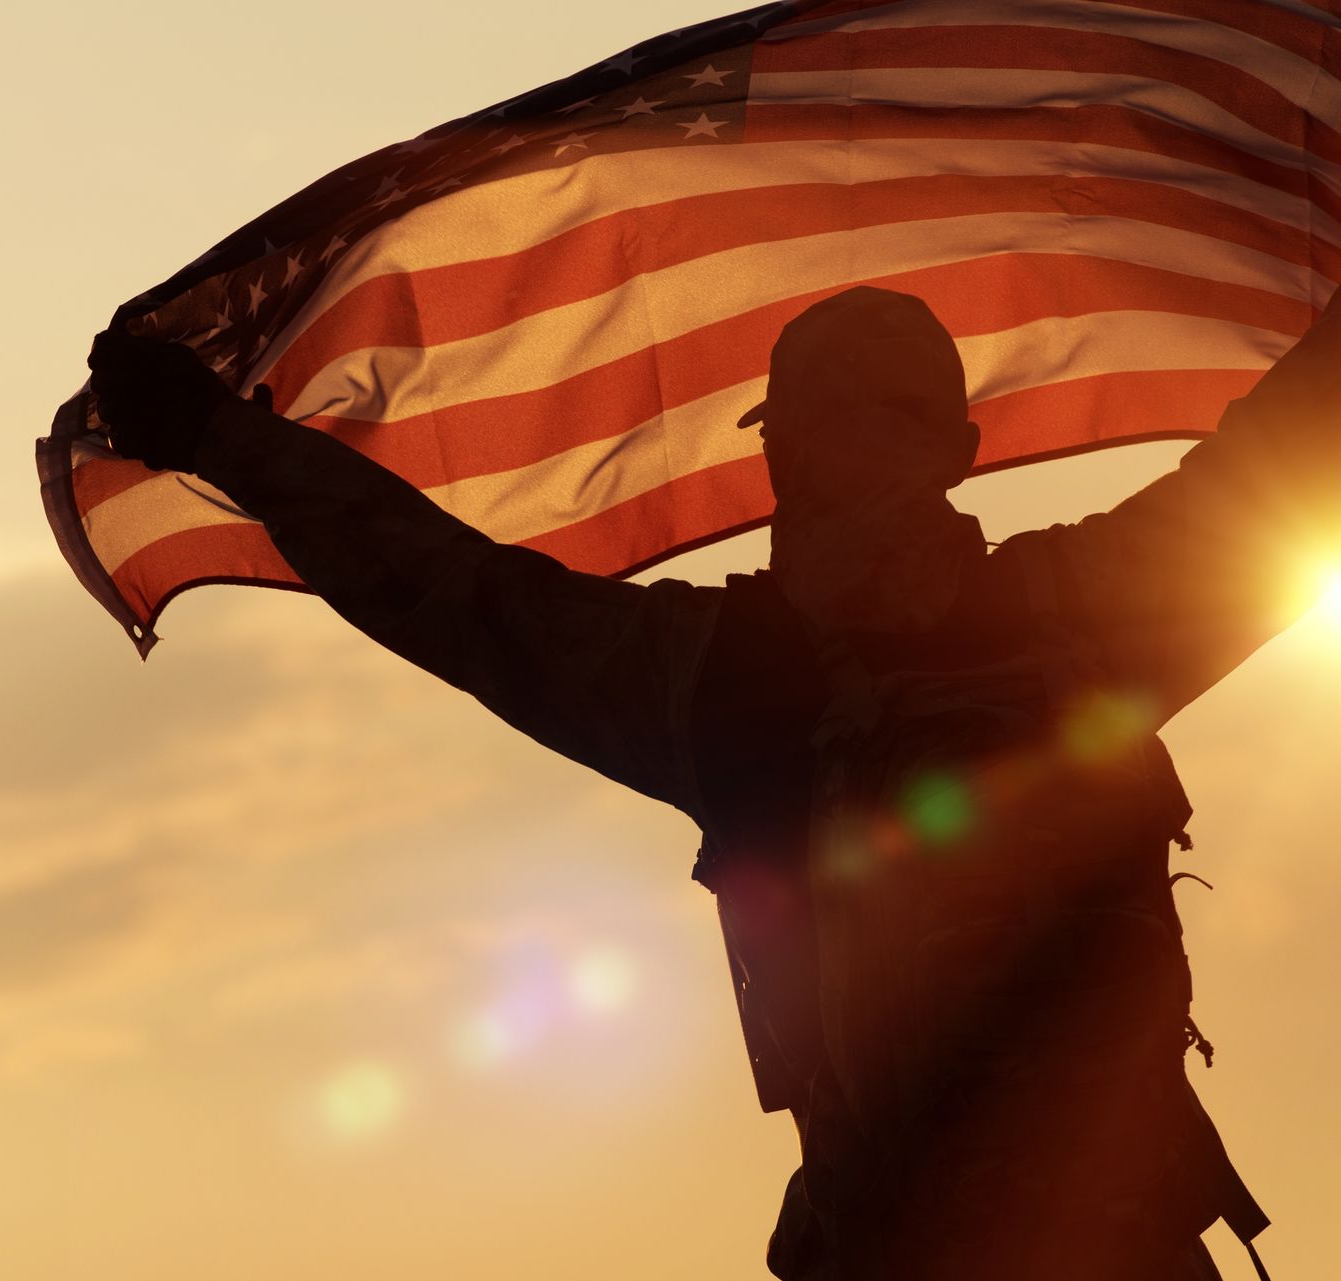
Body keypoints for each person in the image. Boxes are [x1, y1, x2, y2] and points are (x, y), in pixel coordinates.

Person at [85, 286, 1337, 1279]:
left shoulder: (714, 680)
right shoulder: (1083, 617)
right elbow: (1291, 464)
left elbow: (450, 593)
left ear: (775, 454)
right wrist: (223, 437)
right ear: (960, 450)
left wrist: (222, 438)